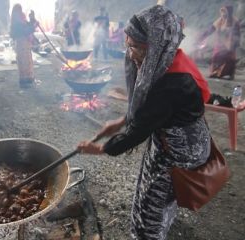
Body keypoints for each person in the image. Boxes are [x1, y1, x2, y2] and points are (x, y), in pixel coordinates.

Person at [77, 5, 211, 240]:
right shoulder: (167, 58)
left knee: (153, 208)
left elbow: (138, 133)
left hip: (180, 152)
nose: (130, 54)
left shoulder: (172, 83)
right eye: (127, 45)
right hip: (166, 139)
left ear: (157, 45)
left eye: (136, 47)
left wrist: (99, 149)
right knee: (155, 193)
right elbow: (149, 112)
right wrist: (119, 122)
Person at [198, 4, 240, 80]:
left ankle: (229, 74)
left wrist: (233, 44)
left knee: (229, 59)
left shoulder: (235, 21)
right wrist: (202, 36)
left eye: (225, 11)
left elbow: (237, 35)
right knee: (216, 56)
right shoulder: (220, 20)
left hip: (229, 43)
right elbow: (211, 29)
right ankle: (215, 73)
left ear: (229, 12)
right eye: (222, 11)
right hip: (220, 43)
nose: (223, 14)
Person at [10, 4, 39, 88]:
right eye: (20, 10)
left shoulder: (21, 19)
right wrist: (34, 27)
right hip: (21, 42)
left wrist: (32, 19)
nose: (21, 11)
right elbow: (25, 31)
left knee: (27, 59)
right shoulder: (16, 22)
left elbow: (27, 25)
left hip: (25, 43)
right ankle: (24, 79)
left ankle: (29, 77)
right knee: (23, 60)